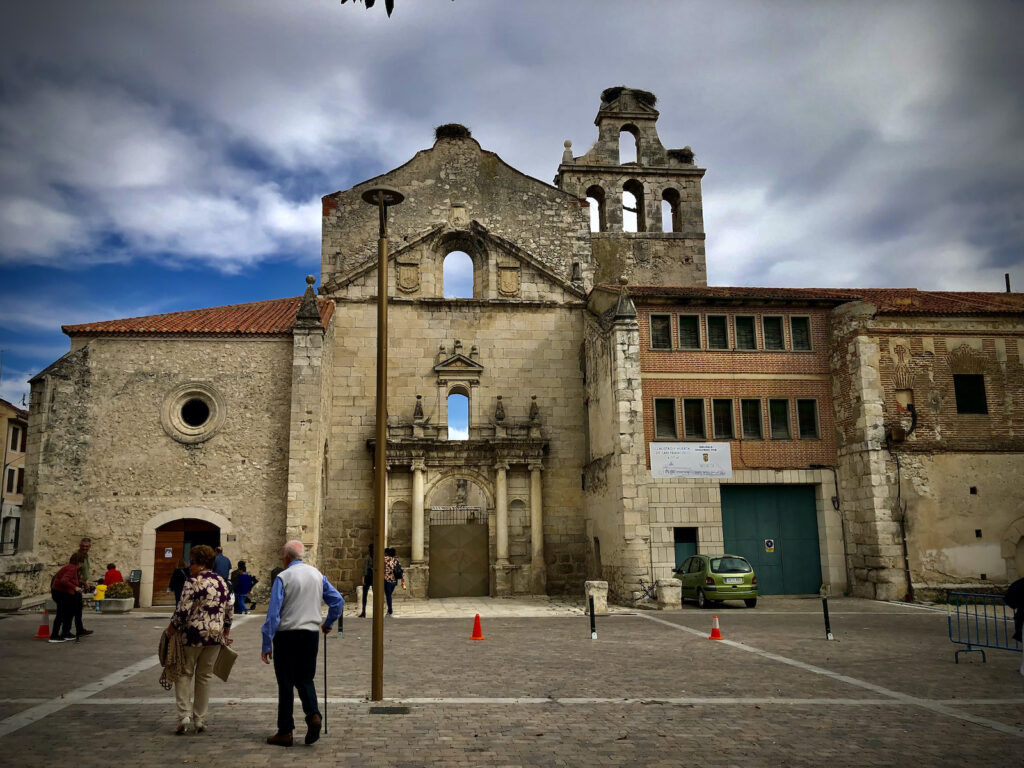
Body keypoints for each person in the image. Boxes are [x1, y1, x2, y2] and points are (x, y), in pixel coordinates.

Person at [261, 540, 343, 747]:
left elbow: (273, 615)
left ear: (286, 557)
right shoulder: (317, 575)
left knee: (286, 683)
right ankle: (313, 715)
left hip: (287, 635)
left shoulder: (283, 577)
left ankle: (285, 731)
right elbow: (338, 601)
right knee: (306, 678)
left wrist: (266, 643)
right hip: (310, 634)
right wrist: (329, 623)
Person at [165, 544, 233, 735]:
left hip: (193, 634)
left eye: (192, 562)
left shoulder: (192, 582)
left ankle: (184, 715)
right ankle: (200, 719)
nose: (189, 566)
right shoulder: (221, 581)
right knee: (205, 676)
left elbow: (182, 610)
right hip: (215, 635)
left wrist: (171, 630)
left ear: (201, 563)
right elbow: (229, 608)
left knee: (185, 672)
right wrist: (226, 631)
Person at [50, 552, 86, 643]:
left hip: (61, 593)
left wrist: (80, 583)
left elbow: (71, 580)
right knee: (61, 614)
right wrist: (75, 587)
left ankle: (66, 633)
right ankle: (54, 636)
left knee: (68, 613)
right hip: (61, 593)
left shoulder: (69, 567)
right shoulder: (72, 568)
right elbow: (64, 580)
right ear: (79, 562)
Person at [73, 537, 94, 637]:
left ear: (90, 547)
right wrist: (84, 583)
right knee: (74, 610)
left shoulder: (85, 556)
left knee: (78, 609)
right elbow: (73, 573)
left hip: (80, 585)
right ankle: (67, 631)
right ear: (79, 545)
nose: (85, 548)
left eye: (87, 546)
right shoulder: (78, 556)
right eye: (83, 546)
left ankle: (80, 629)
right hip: (75, 585)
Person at [383, 547, 404, 617]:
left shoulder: (385, 559)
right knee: (389, 595)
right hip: (394, 581)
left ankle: (390, 610)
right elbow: (400, 569)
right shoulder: (396, 560)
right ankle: (389, 609)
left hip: (387, 580)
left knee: (388, 595)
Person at [358, 543, 373, 618]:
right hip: (374, 577)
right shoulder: (377, 557)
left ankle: (363, 611)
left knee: (365, 595)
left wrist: (363, 579)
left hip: (368, 576)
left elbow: (364, 569)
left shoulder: (367, 557)